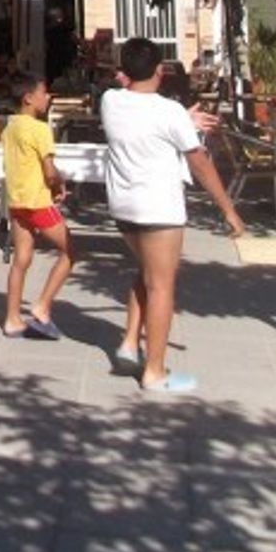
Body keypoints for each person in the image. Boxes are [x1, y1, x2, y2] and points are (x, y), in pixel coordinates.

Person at [101, 36, 246, 394]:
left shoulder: (110, 101)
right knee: (161, 286)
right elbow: (200, 163)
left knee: (147, 272)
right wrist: (228, 209)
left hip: (123, 207)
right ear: (161, 71)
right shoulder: (169, 112)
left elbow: (134, 99)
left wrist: (185, 118)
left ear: (124, 70)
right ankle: (155, 371)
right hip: (159, 209)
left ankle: (130, 343)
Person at [1, 73, 73, 339]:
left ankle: (12, 318)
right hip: (38, 203)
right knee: (71, 251)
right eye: (43, 93)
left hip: (16, 201)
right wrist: (59, 183)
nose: (47, 97)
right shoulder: (40, 129)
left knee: (21, 259)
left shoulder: (10, 127)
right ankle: (42, 306)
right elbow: (49, 170)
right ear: (29, 98)